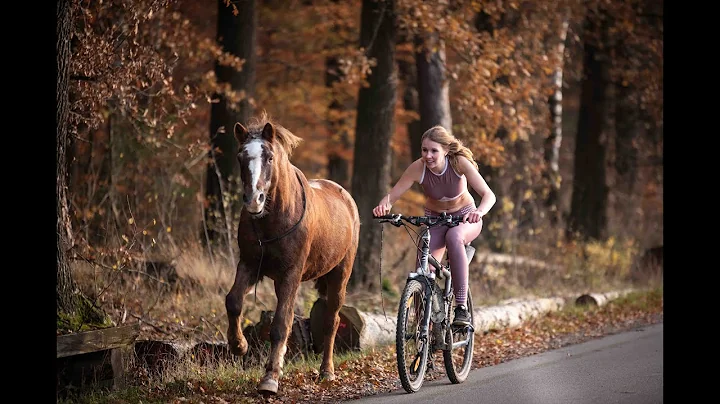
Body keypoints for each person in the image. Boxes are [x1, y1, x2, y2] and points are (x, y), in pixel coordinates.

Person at [373, 125, 496, 326]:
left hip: (465, 218)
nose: (428, 156)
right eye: (424, 150)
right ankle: (424, 328)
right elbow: (393, 195)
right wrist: (383, 205)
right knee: (423, 270)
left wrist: (478, 212)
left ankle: (461, 309)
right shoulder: (417, 168)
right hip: (435, 219)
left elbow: (489, 195)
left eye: (433, 151)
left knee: (454, 237)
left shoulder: (459, 163)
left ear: (446, 150)